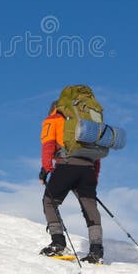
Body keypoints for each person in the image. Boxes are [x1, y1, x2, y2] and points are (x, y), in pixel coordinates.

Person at [39, 100, 104, 263]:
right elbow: (95, 155)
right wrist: (93, 177)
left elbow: (48, 145)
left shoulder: (52, 120)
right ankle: (96, 251)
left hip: (67, 165)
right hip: (88, 169)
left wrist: (46, 169)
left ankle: (58, 244)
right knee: (89, 207)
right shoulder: (86, 125)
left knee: (49, 202)